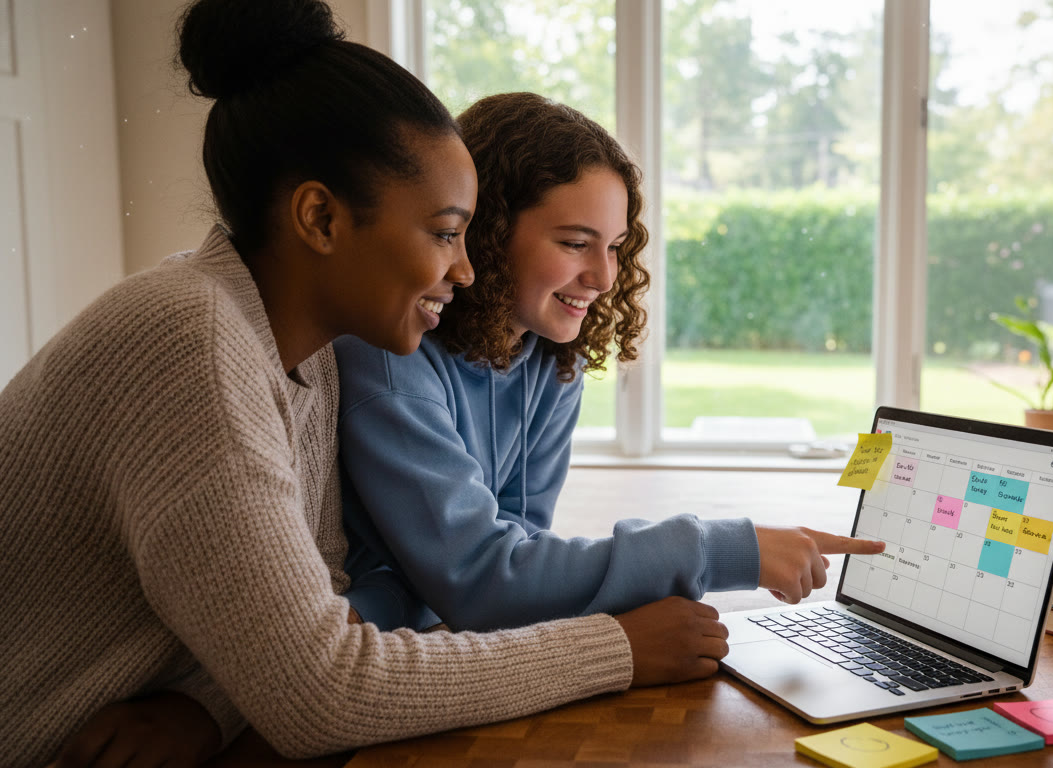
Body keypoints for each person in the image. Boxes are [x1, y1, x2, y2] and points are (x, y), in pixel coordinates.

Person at [0, 3, 727, 765]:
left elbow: (315, 603)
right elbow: (327, 691)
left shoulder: (303, 357)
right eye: (446, 232)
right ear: (319, 218)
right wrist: (614, 649)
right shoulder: (192, 341)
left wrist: (207, 706)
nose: (467, 270)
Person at [335, 92, 885, 635]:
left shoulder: (550, 362)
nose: (603, 278)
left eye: (616, 246)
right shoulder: (392, 363)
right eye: (576, 243)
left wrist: (416, 596)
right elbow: (484, 581)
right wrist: (723, 550)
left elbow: (518, 550)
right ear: (488, 232)